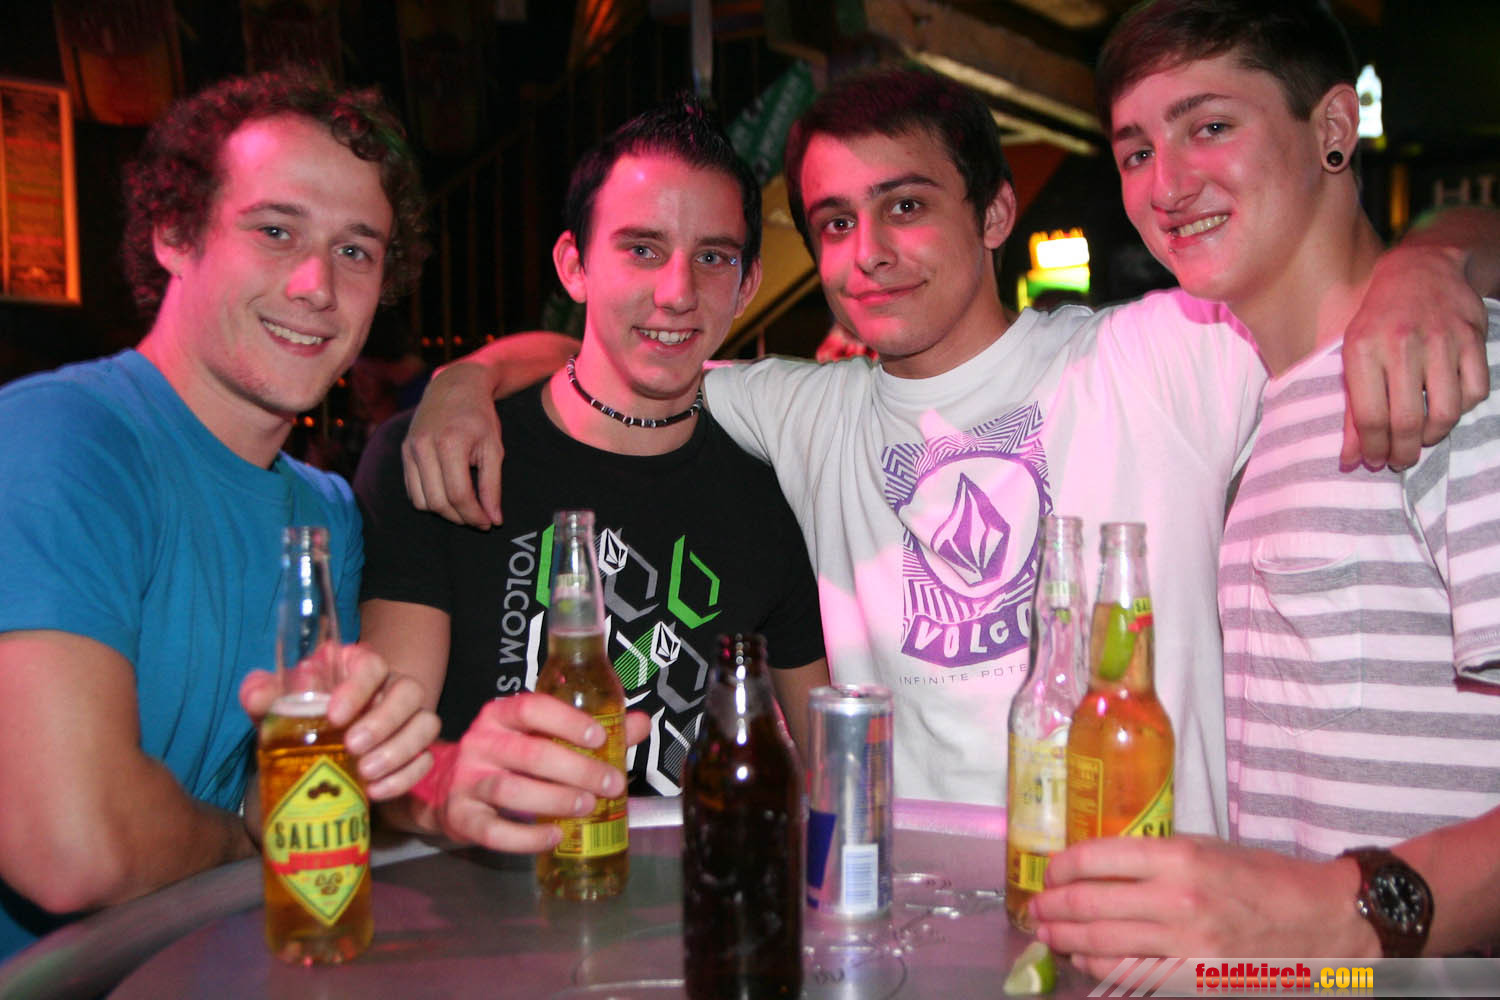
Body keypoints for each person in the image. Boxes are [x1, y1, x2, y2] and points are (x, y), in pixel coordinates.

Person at [398, 66, 1495, 841]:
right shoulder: (804, 410)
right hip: (920, 932)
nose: (869, 254)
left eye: (906, 206)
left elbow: (1337, 270)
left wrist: (1432, 261)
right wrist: (464, 379)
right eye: (835, 223)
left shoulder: (1158, 355)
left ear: (996, 212)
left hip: (1154, 932)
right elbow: (627, 352)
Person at [1030, 0, 1500, 964]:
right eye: (1135, 151)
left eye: (1209, 126)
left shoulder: (1449, 371)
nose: (1167, 185)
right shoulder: (1268, 411)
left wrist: (1346, 915)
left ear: (1333, 128)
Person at [0, 73, 441, 961]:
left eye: (356, 251)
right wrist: (246, 848)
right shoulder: (61, 437)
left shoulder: (324, 515)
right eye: (275, 231)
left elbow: (285, 796)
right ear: (174, 232)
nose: (317, 285)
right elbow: (70, 848)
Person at [354, 98, 828, 853]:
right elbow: (378, 761)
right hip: (479, 898)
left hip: (688, 901)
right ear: (574, 266)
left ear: (747, 285)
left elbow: (828, 764)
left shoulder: (774, 493)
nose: (677, 292)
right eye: (642, 249)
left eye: (712, 258)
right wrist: (449, 785)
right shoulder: (447, 449)